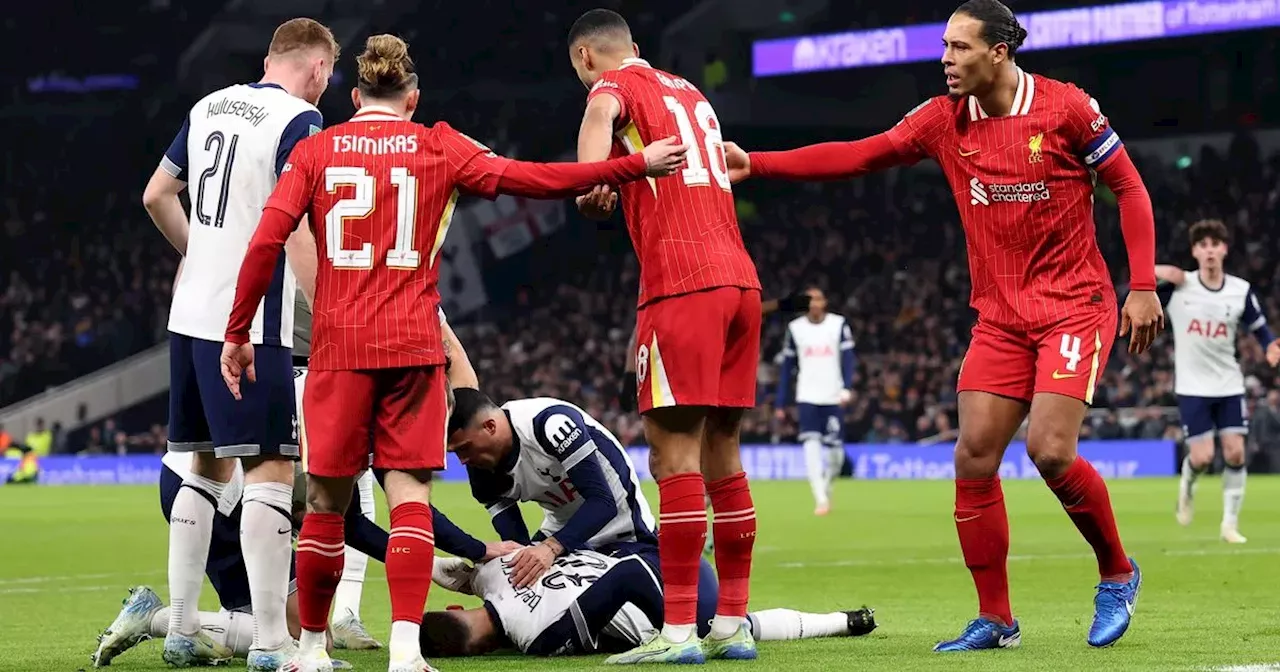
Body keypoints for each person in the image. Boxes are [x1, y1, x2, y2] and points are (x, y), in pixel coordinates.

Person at [220, 33, 687, 672]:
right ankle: (408, 653)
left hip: (339, 347)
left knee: (327, 505)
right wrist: (632, 165)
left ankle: (309, 652)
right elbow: (538, 179)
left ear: (354, 96)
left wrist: (238, 331)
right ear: (412, 98)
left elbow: (266, 241)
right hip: (413, 349)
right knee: (408, 497)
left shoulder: (315, 150)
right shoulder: (440, 144)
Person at [723, 0, 1164, 652]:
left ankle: (1117, 572)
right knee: (973, 456)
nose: (945, 59)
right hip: (1001, 318)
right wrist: (757, 164)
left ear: (999, 52)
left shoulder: (1067, 109)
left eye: (960, 48)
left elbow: (1128, 187)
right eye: (944, 46)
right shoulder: (942, 120)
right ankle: (997, 619)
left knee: (1049, 449)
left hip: (1074, 305)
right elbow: (862, 154)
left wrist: (1145, 285)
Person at [141, 17, 337, 670]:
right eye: (327, 77)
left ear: (267, 58)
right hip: (252, 327)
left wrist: (207, 256)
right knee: (271, 474)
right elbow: (302, 230)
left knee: (202, 464)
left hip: (188, 315)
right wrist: (332, 317)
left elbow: (156, 195)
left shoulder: (206, 107)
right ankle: (272, 646)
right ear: (317, 69)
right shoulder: (300, 122)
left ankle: (181, 629)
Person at [568, 9, 763, 663]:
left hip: (682, 283)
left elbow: (592, 158)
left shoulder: (608, 88)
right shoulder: (691, 91)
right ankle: (731, 623)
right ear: (638, 49)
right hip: (741, 283)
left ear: (585, 57)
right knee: (724, 456)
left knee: (673, 457)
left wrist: (593, 181)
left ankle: (678, 632)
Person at [419, 550, 877, 658]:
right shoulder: (495, 569)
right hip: (673, 557)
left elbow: (632, 575)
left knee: (724, 628)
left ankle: (843, 621)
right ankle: (848, 620)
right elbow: (427, 560)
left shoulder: (537, 638)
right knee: (736, 624)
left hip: (677, 589)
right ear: (457, 607)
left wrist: (680, 630)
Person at [447, 389, 657, 581]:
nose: (462, 460)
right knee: (517, 576)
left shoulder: (549, 422)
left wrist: (551, 548)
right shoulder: (480, 468)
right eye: (455, 452)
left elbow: (603, 502)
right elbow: (516, 543)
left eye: (465, 448)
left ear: (490, 426)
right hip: (564, 531)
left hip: (625, 530)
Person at [1156, 219, 1280, 543]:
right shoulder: (1179, 287)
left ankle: (1229, 524)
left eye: (1215, 244)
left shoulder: (1240, 290)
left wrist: (1270, 346)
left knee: (1236, 453)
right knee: (1202, 458)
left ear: (1224, 249)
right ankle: (1187, 485)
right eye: (1203, 245)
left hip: (1228, 383)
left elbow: (1261, 328)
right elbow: (1138, 295)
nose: (1210, 250)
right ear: (1194, 251)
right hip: (1192, 386)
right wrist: (1156, 271)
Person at [775, 286, 856, 516]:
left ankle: (827, 488)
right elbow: (787, 369)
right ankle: (819, 498)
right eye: (809, 300)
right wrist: (781, 403)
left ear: (825, 302)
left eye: (818, 299)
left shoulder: (838, 324)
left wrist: (846, 388)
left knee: (836, 454)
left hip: (832, 395)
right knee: (810, 445)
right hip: (807, 396)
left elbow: (849, 359)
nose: (814, 303)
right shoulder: (795, 329)